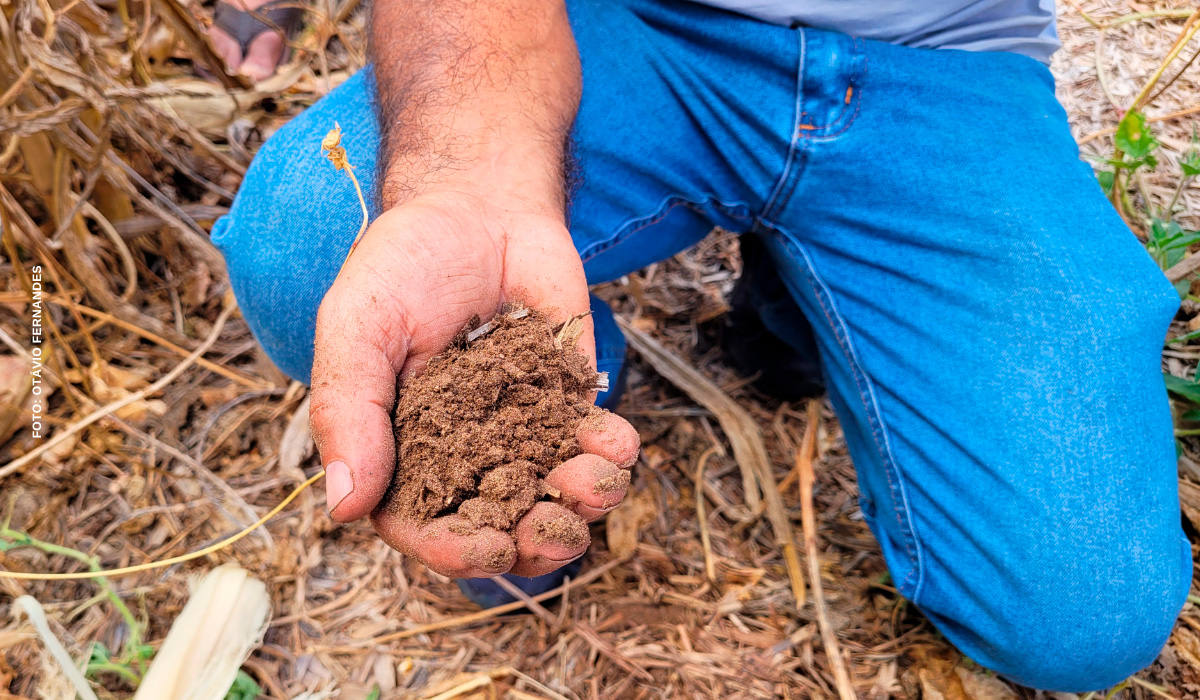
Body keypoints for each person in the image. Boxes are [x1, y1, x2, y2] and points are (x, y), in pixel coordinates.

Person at [211, 0, 1192, 692]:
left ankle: (797, 307)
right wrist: (461, 177)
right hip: (639, 27)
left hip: (948, 61)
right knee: (310, 247)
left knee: (1082, 616)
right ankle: (565, 369)